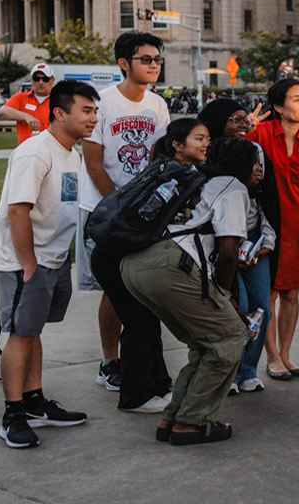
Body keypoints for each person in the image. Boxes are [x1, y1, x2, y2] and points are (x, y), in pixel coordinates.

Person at [0, 79, 100, 449]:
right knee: (20, 333)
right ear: (60, 113)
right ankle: (12, 414)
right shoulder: (36, 152)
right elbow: (18, 210)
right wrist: (29, 264)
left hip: (51, 258)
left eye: (95, 110)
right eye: (86, 110)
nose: (93, 118)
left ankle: (34, 402)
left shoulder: (71, 153)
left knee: (32, 330)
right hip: (25, 261)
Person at [121, 134, 256, 446]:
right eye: (256, 163)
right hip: (171, 265)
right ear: (243, 164)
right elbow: (227, 251)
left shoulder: (194, 179)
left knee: (204, 343)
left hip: (136, 264)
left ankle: (175, 417)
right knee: (230, 338)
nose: (258, 171)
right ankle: (193, 422)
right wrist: (223, 294)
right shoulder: (232, 188)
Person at [77, 31, 172, 412]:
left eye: (156, 59)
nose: (153, 65)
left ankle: (132, 364)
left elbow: (160, 158)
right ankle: (109, 362)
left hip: (140, 211)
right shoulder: (102, 104)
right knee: (113, 288)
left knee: (136, 284)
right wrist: (118, 206)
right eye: (146, 59)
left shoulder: (157, 105)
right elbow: (94, 162)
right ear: (123, 63)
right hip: (105, 209)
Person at [248, 78, 299, 380]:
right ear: (278, 107)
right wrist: (245, 130)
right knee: (267, 295)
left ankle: (287, 354)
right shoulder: (261, 134)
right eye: (296, 99)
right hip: (266, 226)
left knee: (292, 294)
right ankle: (272, 357)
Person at [196, 98, 275, 394]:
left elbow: (268, 200)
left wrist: (266, 240)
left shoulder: (255, 152)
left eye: (246, 119)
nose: (243, 125)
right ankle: (226, 372)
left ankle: (248, 370)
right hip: (219, 241)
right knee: (230, 306)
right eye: (235, 119)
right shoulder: (205, 153)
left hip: (253, 237)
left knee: (259, 306)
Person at [0, 63, 55, 145]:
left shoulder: (59, 100)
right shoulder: (21, 97)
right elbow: (3, 111)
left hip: (50, 149)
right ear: (31, 80)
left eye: (45, 79)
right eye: (36, 79)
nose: (41, 82)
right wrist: (26, 116)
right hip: (26, 150)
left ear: (52, 80)